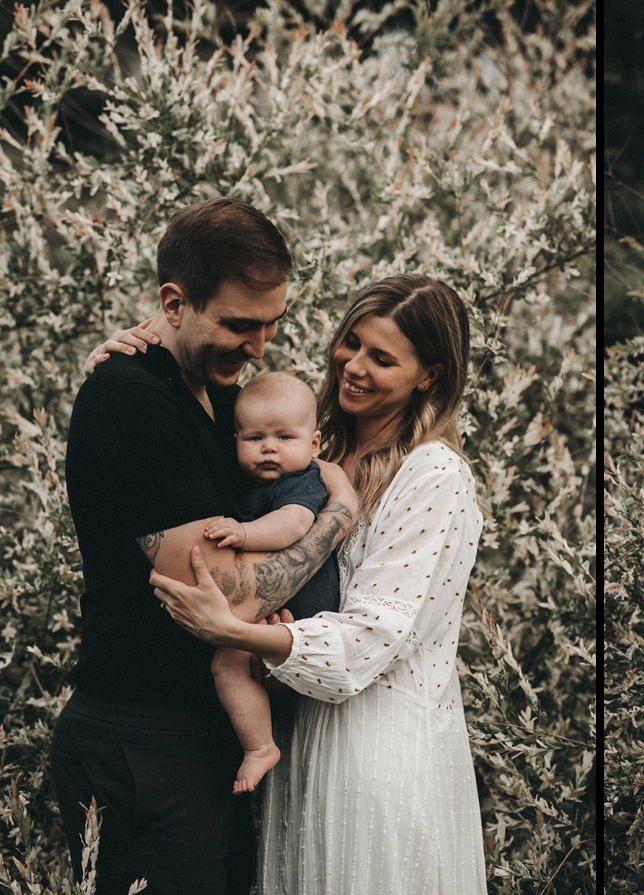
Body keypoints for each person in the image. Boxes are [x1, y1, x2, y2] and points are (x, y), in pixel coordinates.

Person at [145, 275, 488, 894]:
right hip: (301, 739)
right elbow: (216, 403)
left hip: (377, 750)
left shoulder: (434, 474)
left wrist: (237, 633)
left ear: (429, 375)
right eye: (351, 343)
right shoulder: (307, 445)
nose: (353, 366)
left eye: (382, 358)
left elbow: (373, 635)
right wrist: (140, 350)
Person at [55, 198, 358, 895]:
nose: (259, 346)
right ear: (175, 301)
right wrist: (336, 514)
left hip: (200, 738)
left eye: (272, 323)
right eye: (239, 324)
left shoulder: (219, 394)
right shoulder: (132, 399)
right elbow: (219, 591)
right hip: (141, 741)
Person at [206, 371, 342, 794]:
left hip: (303, 603)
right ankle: (259, 742)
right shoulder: (244, 482)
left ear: (314, 444)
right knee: (236, 667)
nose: (269, 448)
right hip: (275, 603)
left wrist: (244, 534)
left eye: (285, 437)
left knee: (226, 664)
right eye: (254, 438)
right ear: (236, 441)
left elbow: (294, 524)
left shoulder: (303, 480)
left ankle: (260, 746)